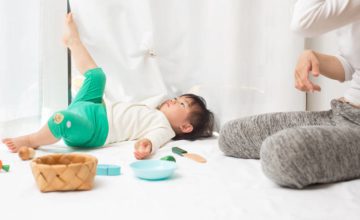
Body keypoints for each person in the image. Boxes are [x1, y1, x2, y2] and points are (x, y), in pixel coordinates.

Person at [2, 13, 214, 160]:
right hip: (93, 106)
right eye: (177, 98)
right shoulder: (155, 107)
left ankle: (32, 139)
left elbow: (153, 140)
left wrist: (146, 146)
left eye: (182, 105)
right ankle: (73, 41)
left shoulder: (164, 128)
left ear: (185, 127)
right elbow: (159, 94)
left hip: (92, 128)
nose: (173, 100)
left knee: (61, 118)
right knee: (97, 76)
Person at [219, 0, 360, 188]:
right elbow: (351, 66)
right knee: (231, 135)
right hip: (344, 112)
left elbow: (303, 22)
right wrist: (313, 57)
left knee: (280, 154)